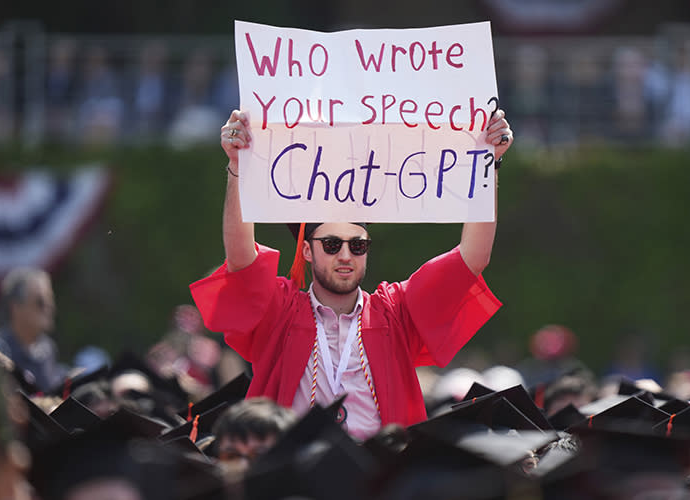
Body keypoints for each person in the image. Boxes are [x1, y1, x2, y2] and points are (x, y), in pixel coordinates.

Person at [190, 108, 513, 440]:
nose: (345, 255)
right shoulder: (282, 312)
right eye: (331, 244)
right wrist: (238, 167)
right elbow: (242, 259)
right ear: (306, 250)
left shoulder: (396, 311)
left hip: (379, 475)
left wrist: (489, 163)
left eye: (357, 246)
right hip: (296, 476)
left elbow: (473, 258)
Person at [0, 267, 66, 393]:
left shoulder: (47, 349)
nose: (49, 307)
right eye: (41, 302)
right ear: (16, 308)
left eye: (51, 300)